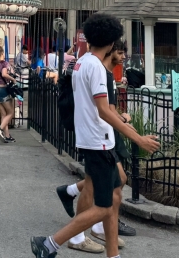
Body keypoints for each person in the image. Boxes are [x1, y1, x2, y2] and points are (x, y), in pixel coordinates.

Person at [31, 14, 160, 258]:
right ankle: (50, 243)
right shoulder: (97, 69)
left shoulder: (82, 62)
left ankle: (113, 255)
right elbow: (104, 111)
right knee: (103, 207)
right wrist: (138, 139)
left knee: (112, 199)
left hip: (95, 139)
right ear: (112, 43)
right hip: (98, 141)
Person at [54, 40, 136, 253]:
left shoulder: (91, 65)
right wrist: (134, 134)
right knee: (103, 193)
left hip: (100, 135)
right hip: (100, 136)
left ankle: (99, 231)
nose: (123, 56)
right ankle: (62, 239)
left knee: (110, 185)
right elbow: (104, 111)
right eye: (120, 51)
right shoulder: (99, 70)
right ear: (110, 48)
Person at [0, 46, 17, 143]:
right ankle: (0, 128)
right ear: (2, 54)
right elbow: (4, 74)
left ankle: (7, 135)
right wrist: (13, 79)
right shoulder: (5, 63)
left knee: (3, 113)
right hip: (2, 90)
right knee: (10, 112)